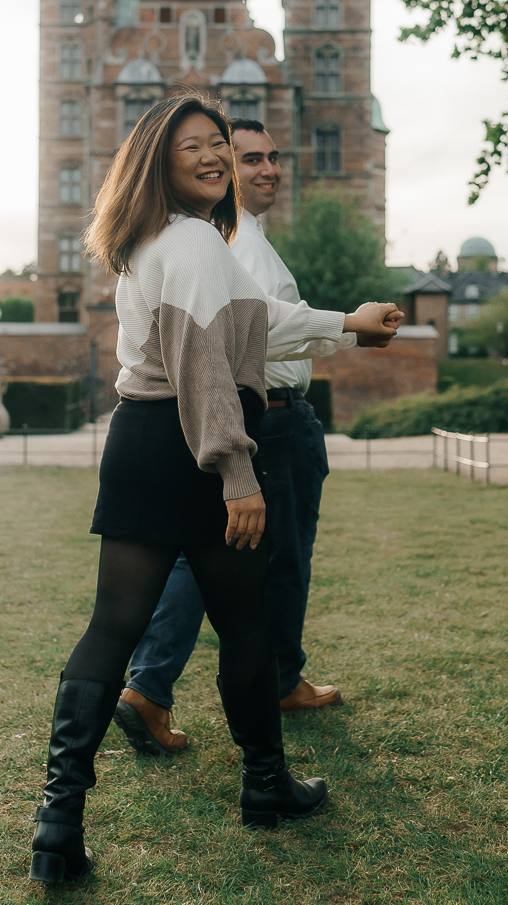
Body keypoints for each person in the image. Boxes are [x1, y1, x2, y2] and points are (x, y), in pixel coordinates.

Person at [28, 94, 402, 883]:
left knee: (112, 627)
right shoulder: (196, 238)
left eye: (219, 146)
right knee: (243, 623)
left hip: (137, 440)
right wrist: (237, 473)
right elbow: (206, 365)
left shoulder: (149, 239)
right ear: (157, 159)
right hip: (194, 444)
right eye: (193, 146)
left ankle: (57, 823)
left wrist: (347, 323)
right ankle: (263, 785)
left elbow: (252, 316)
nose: (214, 158)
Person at [114, 118, 393, 761]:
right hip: (265, 419)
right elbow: (251, 330)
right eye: (247, 158)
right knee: (269, 564)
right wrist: (350, 326)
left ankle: (149, 691)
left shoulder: (228, 237)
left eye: (274, 156)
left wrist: (347, 327)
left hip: (226, 421)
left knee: (196, 563)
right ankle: (270, 698)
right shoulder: (218, 239)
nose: (266, 169)